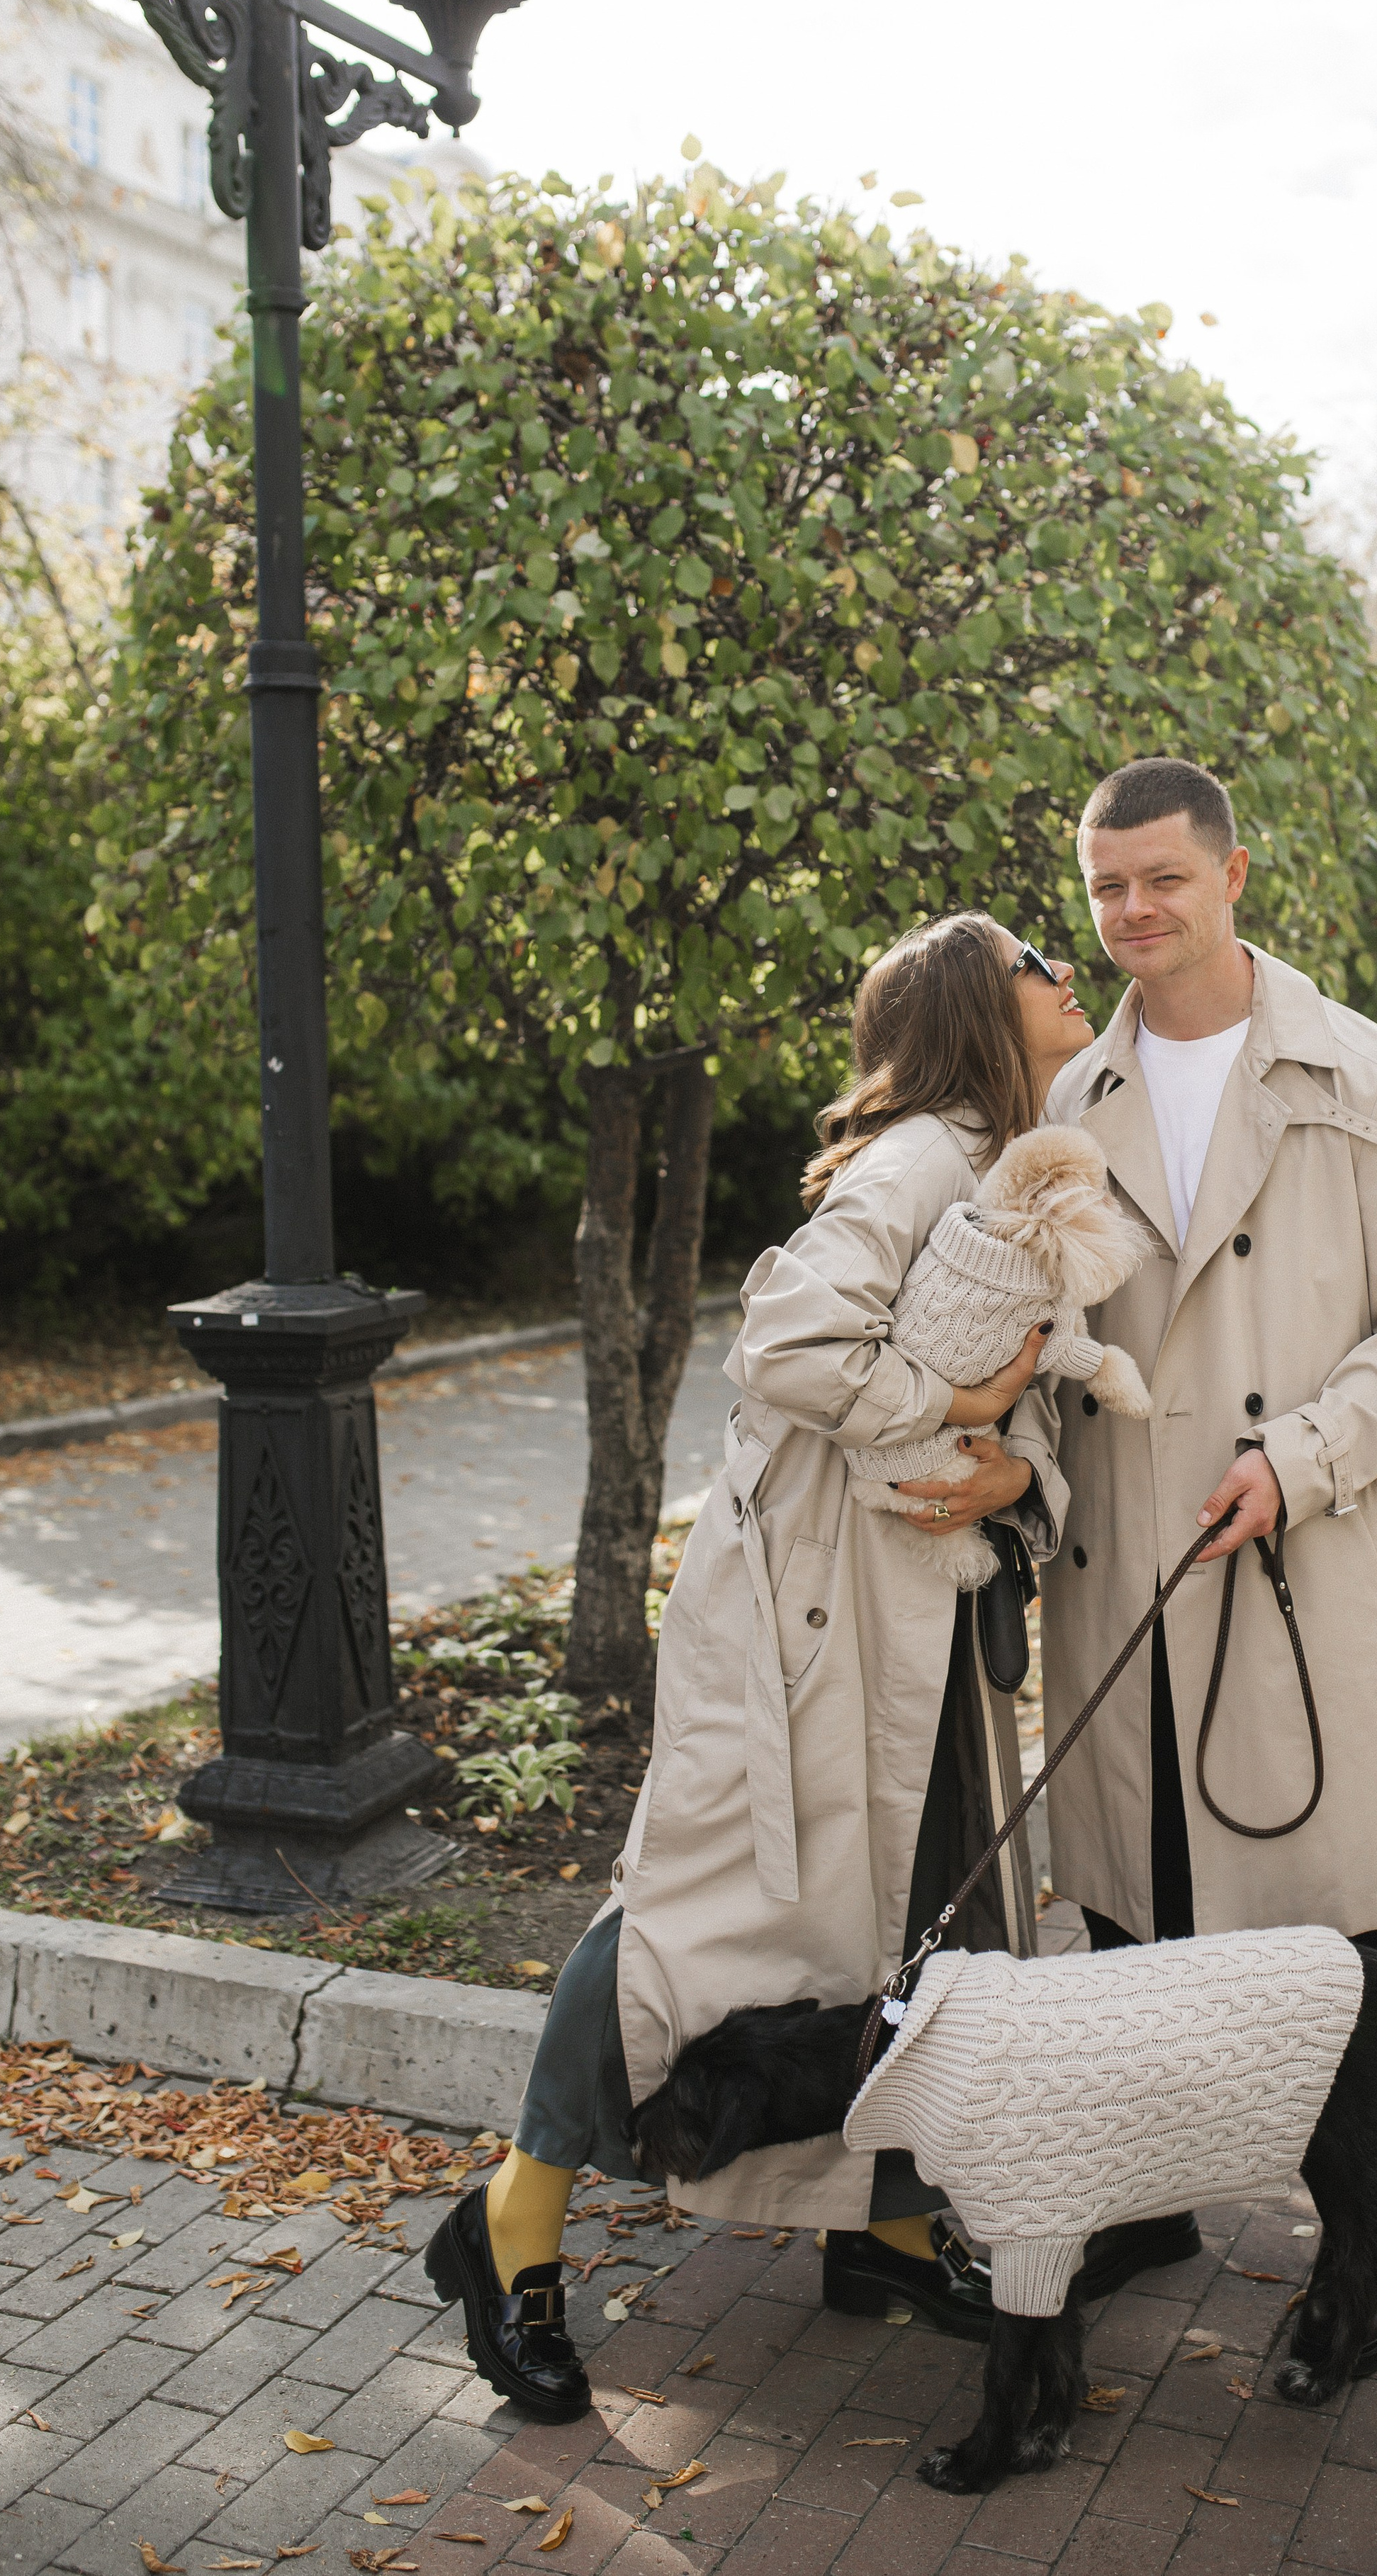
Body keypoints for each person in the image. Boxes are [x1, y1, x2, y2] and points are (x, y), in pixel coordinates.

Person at [427, 912, 1092, 2417]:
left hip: (906, 1610)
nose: (1068, 974)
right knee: (687, 1925)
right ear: (972, 1011)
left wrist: (1013, 1473)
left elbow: (1015, 1394)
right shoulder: (922, 1154)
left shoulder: (1000, 1155)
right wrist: (961, 1398)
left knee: (931, 1923)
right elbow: (786, 1348)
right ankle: (509, 2225)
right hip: (807, 1621)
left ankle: (886, 2226)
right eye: (1036, 957)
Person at [1033, 756, 1377, 2356]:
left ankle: (1356, 2273)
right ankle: (1141, 2200)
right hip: (1121, 1591)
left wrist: (1293, 1460)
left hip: (1291, 1572)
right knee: (1127, 1919)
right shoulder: (1068, 1102)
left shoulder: (1368, 1076)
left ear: (1233, 876)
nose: (1132, 912)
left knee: (1328, 1957)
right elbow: (1049, 1341)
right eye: (1104, 886)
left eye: (1160, 878)